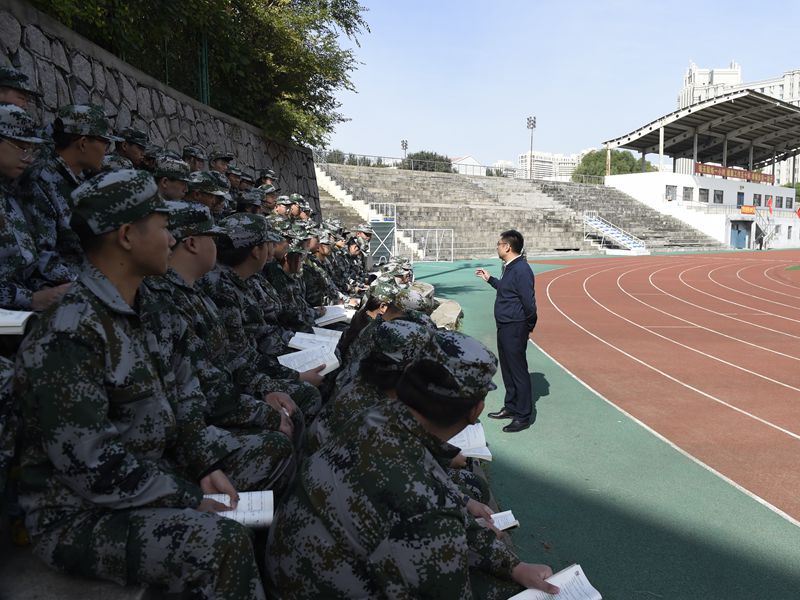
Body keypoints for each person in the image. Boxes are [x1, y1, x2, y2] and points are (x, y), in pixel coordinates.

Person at [15, 169, 265, 598]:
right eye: (164, 226)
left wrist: (205, 466)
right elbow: (91, 465)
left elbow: (186, 402)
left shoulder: (151, 309)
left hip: (153, 475)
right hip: (78, 515)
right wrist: (186, 496)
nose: (172, 239)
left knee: (257, 478)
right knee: (220, 543)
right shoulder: (68, 332)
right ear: (127, 235)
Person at [267, 332, 558, 599]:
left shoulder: (374, 418)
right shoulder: (426, 506)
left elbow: (440, 498)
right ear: (476, 411)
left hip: (293, 572)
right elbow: (430, 515)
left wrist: (513, 566)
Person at [475, 229, 537, 433]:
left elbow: (529, 302)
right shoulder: (510, 267)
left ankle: (523, 415)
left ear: (507, 247)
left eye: (499, 244)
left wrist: (528, 325)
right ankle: (511, 407)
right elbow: (508, 290)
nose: (497, 247)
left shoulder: (522, 269)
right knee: (508, 369)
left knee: (518, 371)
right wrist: (491, 279)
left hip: (515, 326)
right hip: (505, 324)